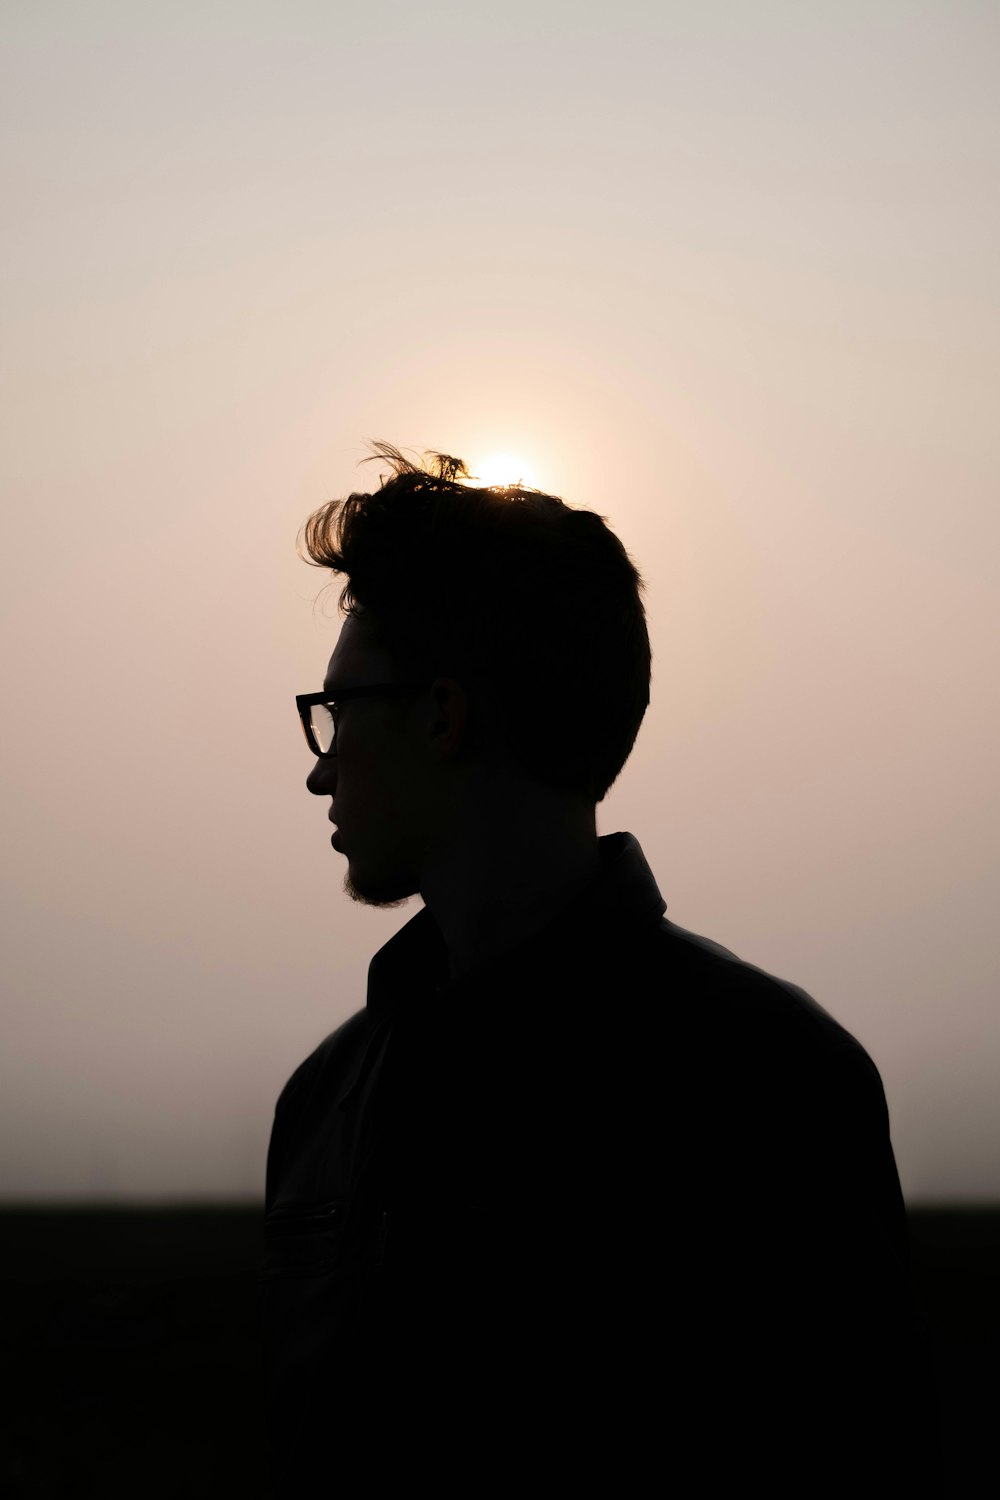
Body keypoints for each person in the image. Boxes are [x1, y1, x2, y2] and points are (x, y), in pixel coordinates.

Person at [260, 443, 941, 1493]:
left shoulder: (771, 1084)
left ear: (441, 717)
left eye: (340, 711)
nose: (318, 766)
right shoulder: (325, 1101)